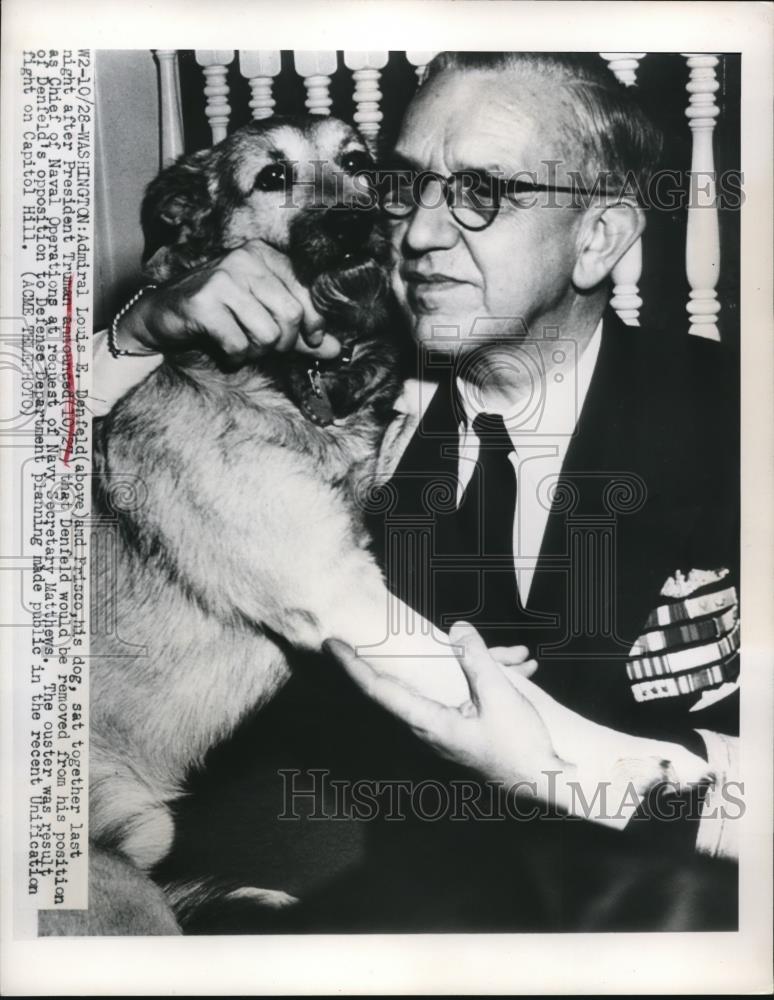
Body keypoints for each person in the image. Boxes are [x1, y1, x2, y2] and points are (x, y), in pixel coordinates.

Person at [94, 52, 739, 930]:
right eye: (405, 183)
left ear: (598, 238)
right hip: (424, 925)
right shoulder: (325, 434)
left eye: (481, 191)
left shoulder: (736, 417)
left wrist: (614, 786)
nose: (416, 232)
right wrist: (131, 335)